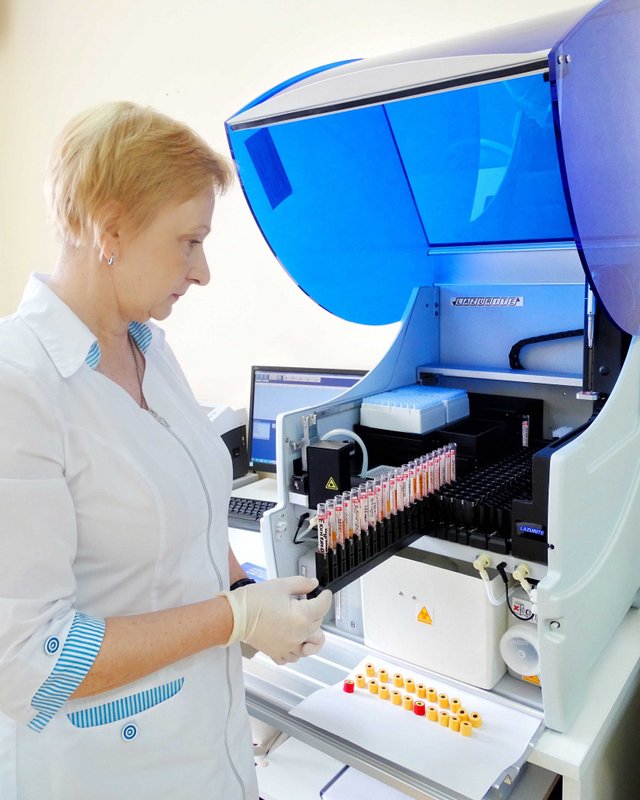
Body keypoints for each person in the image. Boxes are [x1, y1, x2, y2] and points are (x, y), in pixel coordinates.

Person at [0, 101, 332, 800]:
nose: (202, 271)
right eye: (188, 241)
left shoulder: (150, 346)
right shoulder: (18, 384)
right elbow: (30, 662)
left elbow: (193, 507)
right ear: (111, 229)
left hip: (207, 745)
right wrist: (235, 618)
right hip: (106, 766)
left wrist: (245, 594)